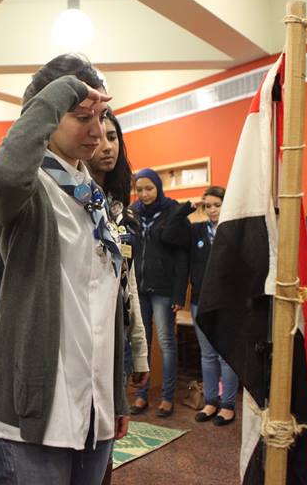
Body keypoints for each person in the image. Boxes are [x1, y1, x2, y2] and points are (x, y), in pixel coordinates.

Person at [0, 54, 128, 485]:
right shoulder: (28, 191)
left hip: (93, 404)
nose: (97, 132)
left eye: (101, 117)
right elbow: (7, 171)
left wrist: (115, 397)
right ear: (45, 117)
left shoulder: (91, 196)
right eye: (82, 117)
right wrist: (62, 91)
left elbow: (105, 303)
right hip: (35, 409)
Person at [86, 111, 150, 485]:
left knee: (105, 445)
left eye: (113, 137)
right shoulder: (70, 201)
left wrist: (139, 349)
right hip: (79, 338)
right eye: (98, 136)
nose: (107, 146)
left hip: (115, 340)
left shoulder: (120, 211)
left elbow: (129, 284)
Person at [175, 186, 239, 426]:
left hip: (227, 302)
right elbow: (169, 233)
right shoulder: (196, 230)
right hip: (199, 300)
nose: (212, 210)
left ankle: (228, 405)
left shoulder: (234, 230)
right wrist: (187, 208)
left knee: (226, 355)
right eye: (208, 206)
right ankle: (210, 402)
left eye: (217, 205)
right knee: (208, 354)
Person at [129, 168, 189, 418]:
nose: (144, 194)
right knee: (141, 344)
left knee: (166, 343)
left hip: (164, 290)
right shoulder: (132, 212)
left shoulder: (173, 211)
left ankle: (166, 397)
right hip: (139, 288)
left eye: (149, 188)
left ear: (158, 187)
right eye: (140, 189)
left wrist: (179, 294)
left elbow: (182, 256)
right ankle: (141, 395)